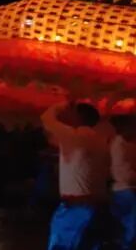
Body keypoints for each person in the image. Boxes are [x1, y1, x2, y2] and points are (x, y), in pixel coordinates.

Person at [41, 101, 113, 250]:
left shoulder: (73, 135)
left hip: (75, 207)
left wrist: (61, 104)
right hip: (98, 206)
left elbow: (46, 118)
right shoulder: (100, 140)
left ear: (78, 117)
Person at [109, 114, 136, 249]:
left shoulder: (125, 144)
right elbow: (124, 174)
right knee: (129, 225)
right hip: (126, 190)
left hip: (124, 189)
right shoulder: (119, 146)